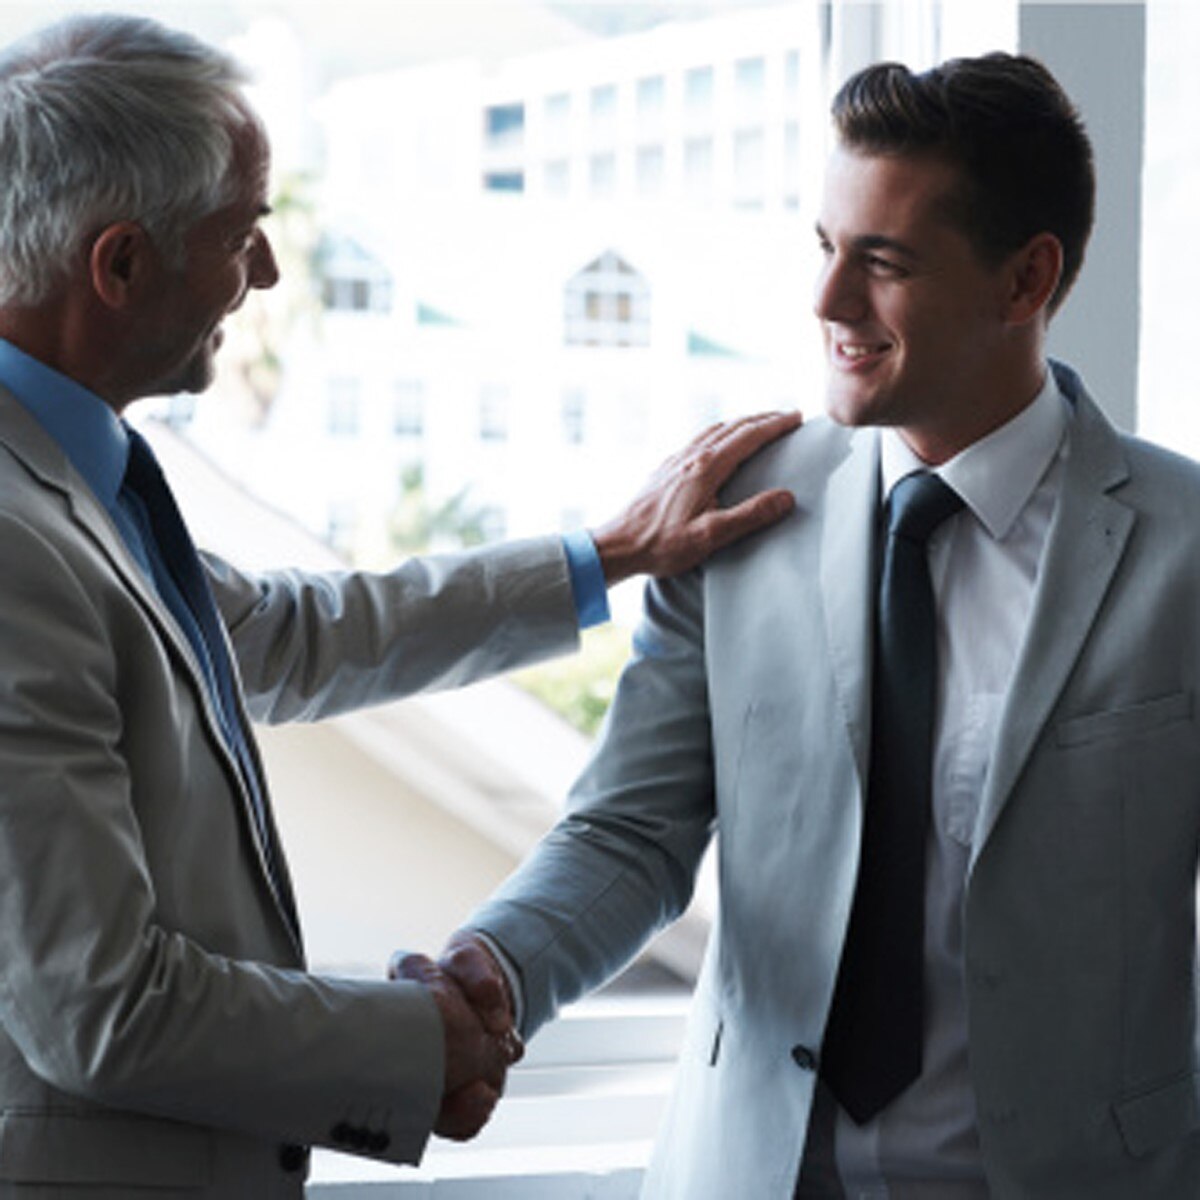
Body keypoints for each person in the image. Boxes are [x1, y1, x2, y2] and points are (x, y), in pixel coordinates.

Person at [0, 13, 801, 1198]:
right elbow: (102, 1012)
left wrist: (613, 553)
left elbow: (284, 636)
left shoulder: (79, 470)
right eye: (242, 233)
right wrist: (423, 1045)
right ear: (118, 266)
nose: (267, 273)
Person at [436, 50, 1200, 1200]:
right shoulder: (736, 513)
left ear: (1024, 280)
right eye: (825, 247)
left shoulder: (1185, 551)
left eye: (883, 262)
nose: (829, 302)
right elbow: (631, 833)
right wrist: (495, 967)